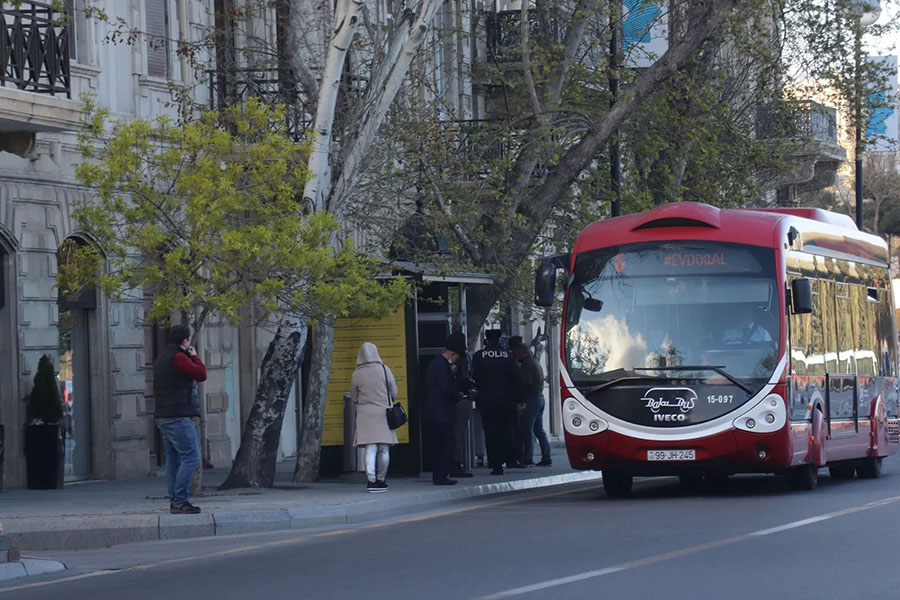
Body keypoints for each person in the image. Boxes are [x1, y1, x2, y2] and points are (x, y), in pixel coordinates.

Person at [154, 325, 207, 514]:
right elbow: (201, 374)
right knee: (191, 456)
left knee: (173, 460)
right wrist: (194, 356)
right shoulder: (178, 358)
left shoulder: (162, 357)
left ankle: (175, 500)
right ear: (185, 341)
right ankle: (180, 500)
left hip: (163, 414)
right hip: (177, 415)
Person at [472, 329, 522, 475]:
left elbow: (475, 377)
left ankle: (496, 464)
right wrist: (520, 399)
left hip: (487, 400)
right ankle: (509, 459)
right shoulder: (509, 355)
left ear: (486, 340)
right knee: (506, 431)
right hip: (507, 401)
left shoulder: (480, 356)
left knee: (491, 432)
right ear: (499, 339)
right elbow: (516, 378)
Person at [351, 342, 398, 493]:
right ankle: (381, 479)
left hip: (365, 414)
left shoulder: (357, 373)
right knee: (384, 448)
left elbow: (353, 396)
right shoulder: (384, 370)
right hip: (384, 413)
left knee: (370, 448)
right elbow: (394, 392)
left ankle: (371, 480)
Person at [424, 333, 467, 485]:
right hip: (441, 412)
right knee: (447, 443)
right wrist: (458, 396)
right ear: (453, 354)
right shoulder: (441, 365)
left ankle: (440, 474)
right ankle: (441, 475)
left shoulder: (435, 364)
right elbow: (445, 388)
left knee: (442, 444)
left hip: (435, 412)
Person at [513, 342, 552, 467]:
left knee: (527, 429)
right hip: (539, 398)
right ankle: (546, 456)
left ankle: (528, 457)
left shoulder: (527, 364)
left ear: (522, 352)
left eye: (517, 353)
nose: (516, 356)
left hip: (532, 399)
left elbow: (526, 382)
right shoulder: (534, 362)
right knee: (538, 429)